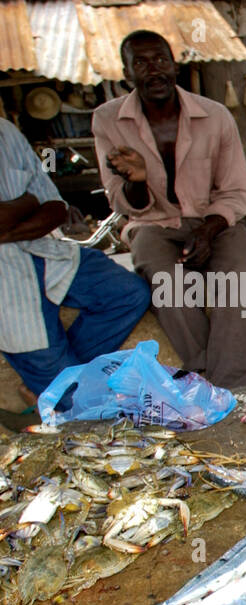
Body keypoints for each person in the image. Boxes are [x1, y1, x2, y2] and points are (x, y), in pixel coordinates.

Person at [92, 30, 246, 389]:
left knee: (239, 273)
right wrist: (137, 180)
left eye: (161, 60)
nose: (154, 70)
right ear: (126, 74)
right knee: (162, 277)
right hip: (153, 223)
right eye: (141, 62)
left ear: (175, 66)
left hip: (216, 220)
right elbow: (119, 200)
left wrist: (208, 229)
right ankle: (205, 379)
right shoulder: (107, 120)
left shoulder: (214, 116)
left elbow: (237, 191)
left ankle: (230, 387)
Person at [0, 117, 148, 418]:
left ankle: (51, 388)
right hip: (6, 284)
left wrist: (10, 225)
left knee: (129, 294)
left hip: (44, 251)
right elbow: (31, 202)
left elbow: (54, 208)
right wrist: (26, 203)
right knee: (83, 406)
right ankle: (59, 392)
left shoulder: (5, 132)